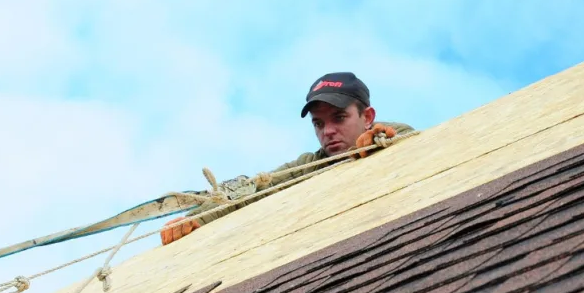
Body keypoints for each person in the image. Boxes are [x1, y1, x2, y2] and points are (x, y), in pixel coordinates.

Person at [161, 72, 414, 244]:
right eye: (318, 123)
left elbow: (408, 138)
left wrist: (380, 140)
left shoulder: (393, 136)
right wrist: (196, 220)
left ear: (367, 117)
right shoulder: (308, 166)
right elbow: (251, 191)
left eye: (339, 118)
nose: (327, 131)